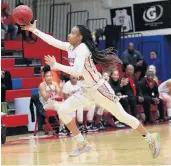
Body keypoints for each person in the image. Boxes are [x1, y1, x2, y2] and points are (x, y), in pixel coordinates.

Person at [22, 21, 160, 158]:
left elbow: (77, 71)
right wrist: (34, 30)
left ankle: (150, 137)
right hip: (86, 90)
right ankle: (81, 143)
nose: (69, 35)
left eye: (72, 33)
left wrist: (56, 65)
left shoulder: (82, 49)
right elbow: (53, 41)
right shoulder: (71, 47)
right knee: (63, 110)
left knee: (121, 116)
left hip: (99, 89)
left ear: (80, 37)